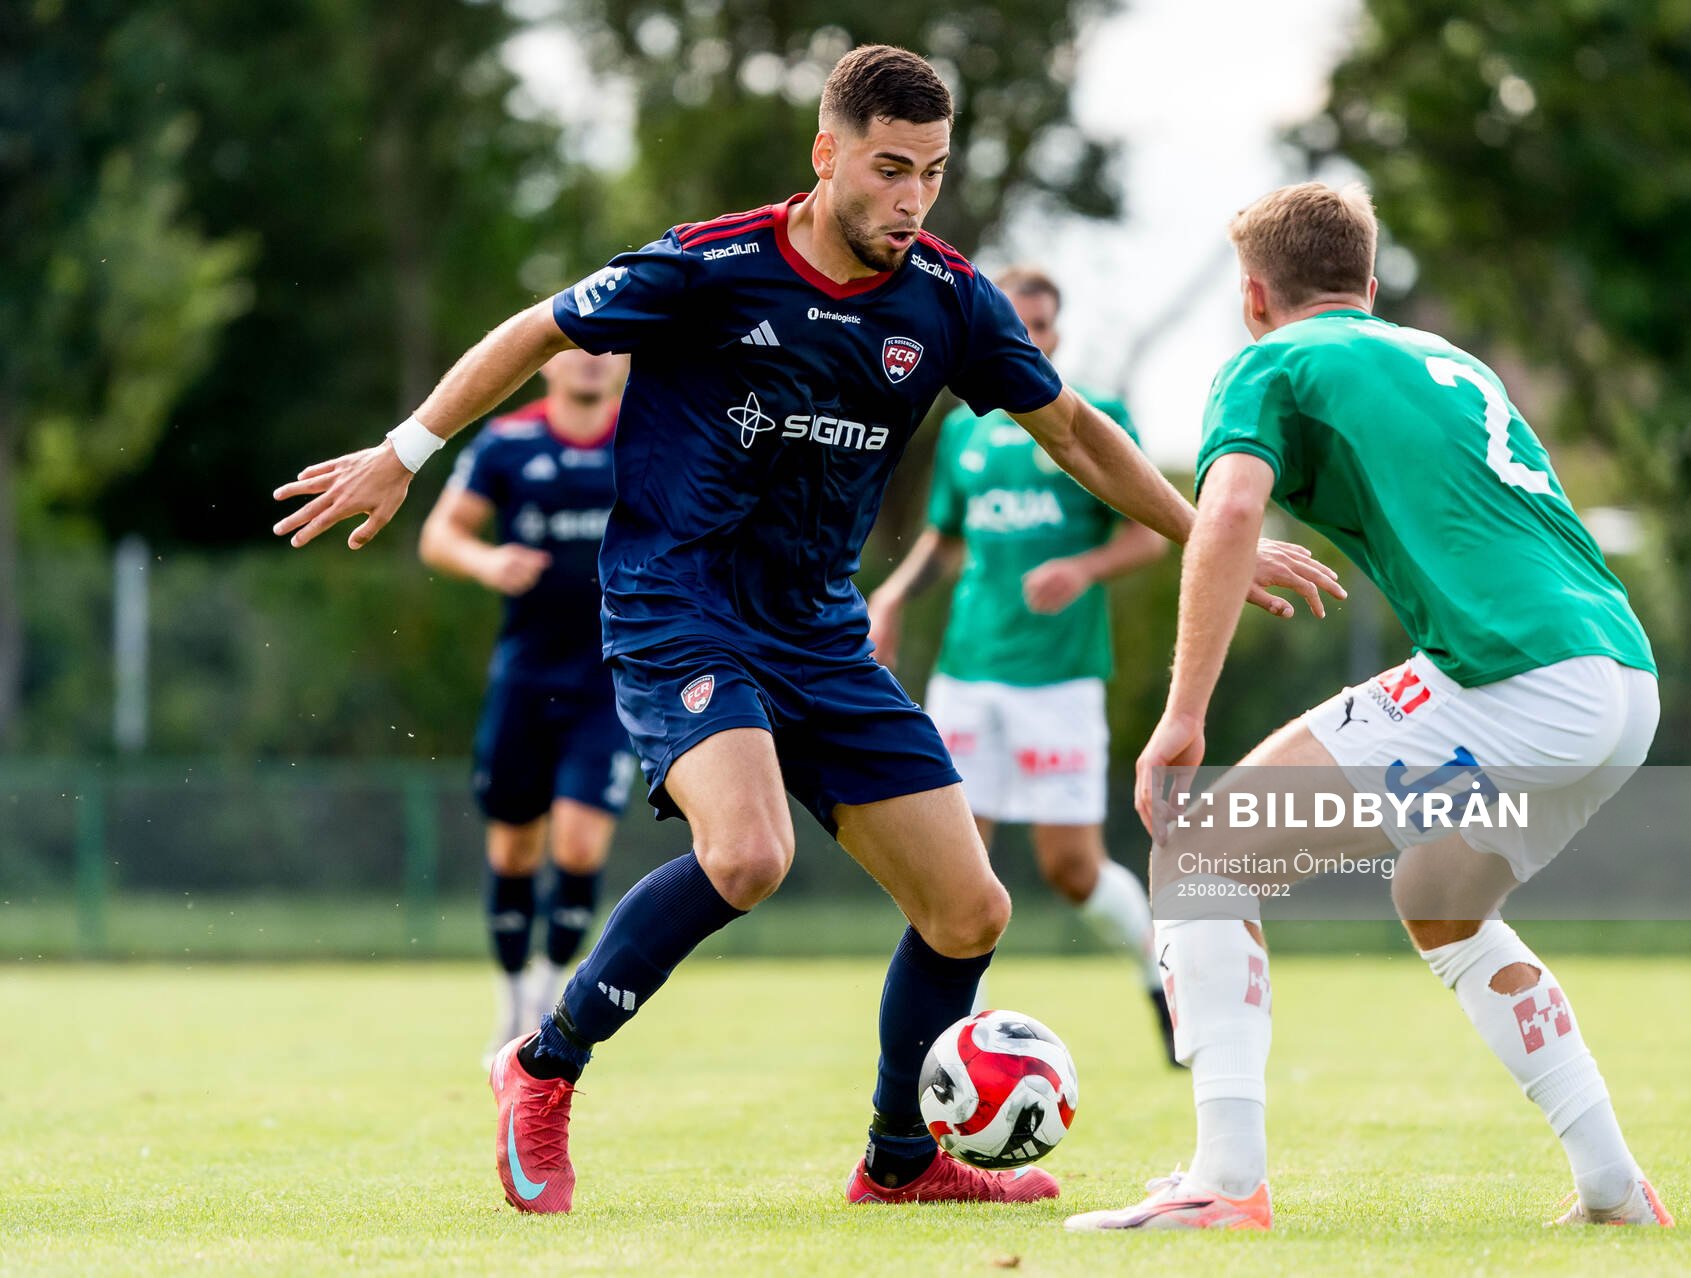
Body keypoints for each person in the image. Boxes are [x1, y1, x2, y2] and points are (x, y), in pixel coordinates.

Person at [271, 45, 1341, 1216]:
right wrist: (404, 454)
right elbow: (536, 330)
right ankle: (540, 1066)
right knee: (749, 855)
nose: (912, 199)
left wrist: (1206, 538)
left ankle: (897, 1161)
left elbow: (1075, 432)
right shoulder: (709, 265)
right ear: (827, 154)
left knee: (972, 908)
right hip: (679, 605)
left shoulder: (947, 300)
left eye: (931, 173)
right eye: (889, 169)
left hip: (818, 630)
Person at [1066, 182, 1672, 1232]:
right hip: (1624, 682)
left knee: (1201, 856)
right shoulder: (1449, 360)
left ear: (1254, 295)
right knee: (1443, 901)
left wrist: (1182, 715)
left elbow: (1228, 511)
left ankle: (1225, 1179)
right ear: (1368, 283)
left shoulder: (1268, 361)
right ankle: (1614, 1184)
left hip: (1517, 678)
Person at [869, 265, 1177, 1062]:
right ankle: (956, 1047)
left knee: (1071, 870)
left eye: (1041, 326)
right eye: (1017, 324)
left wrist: (1085, 568)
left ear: (1055, 334)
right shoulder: (965, 431)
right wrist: (895, 595)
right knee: (952, 869)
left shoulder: (1093, 419)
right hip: (967, 674)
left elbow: (1148, 531)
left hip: (1060, 678)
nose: (1029, 337)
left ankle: (1160, 973)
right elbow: (945, 534)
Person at [416, 349, 639, 1061]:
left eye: (610, 351)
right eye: (580, 348)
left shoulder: (647, 437)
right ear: (547, 362)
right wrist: (487, 562)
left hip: (611, 679)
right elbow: (440, 534)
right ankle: (509, 1000)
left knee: (577, 843)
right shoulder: (509, 442)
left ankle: (547, 998)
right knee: (514, 849)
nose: (594, 363)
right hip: (524, 676)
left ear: (628, 363)